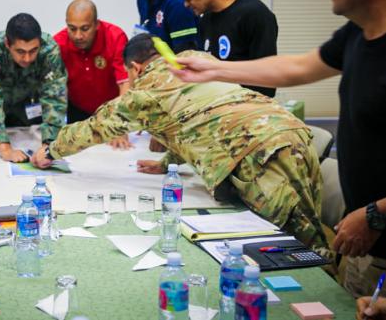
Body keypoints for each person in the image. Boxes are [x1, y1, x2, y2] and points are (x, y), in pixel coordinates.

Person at [170, 0, 386, 297]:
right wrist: (213, 70)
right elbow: (297, 66)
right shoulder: (357, 33)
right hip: (366, 241)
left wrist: (374, 214)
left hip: (374, 229)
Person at [32, 34, 330, 257]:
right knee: (310, 239)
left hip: (262, 153)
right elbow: (198, 120)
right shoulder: (195, 62)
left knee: (292, 254)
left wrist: (50, 151)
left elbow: (94, 127)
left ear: (135, 68)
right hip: (290, 133)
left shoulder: (146, 91)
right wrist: (166, 163)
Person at [175, 0, 278, 97]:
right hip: (215, 105)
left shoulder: (255, 14)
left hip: (250, 109)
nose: (186, 4)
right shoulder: (205, 20)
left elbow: (268, 80)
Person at [0, 13, 67, 162]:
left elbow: (54, 97)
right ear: (7, 44)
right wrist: (5, 148)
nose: (27, 58)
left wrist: (48, 146)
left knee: (28, 142)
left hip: (25, 107)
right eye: (20, 51)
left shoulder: (49, 49)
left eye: (33, 51)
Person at [53, 0, 132, 149]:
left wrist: (119, 126)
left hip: (111, 111)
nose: (78, 36)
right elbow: (52, 91)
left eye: (84, 28)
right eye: (72, 28)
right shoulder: (58, 43)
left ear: (96, 24)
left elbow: (125, 83)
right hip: (77, 112)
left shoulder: (115, 37)